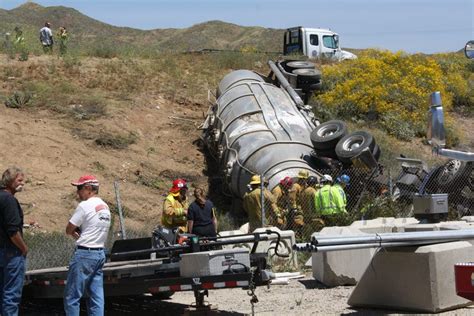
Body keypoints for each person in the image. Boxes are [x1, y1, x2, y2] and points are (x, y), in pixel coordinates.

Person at [64, 175, 111, 316]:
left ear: (89, 188)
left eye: (79, 188)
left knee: (72, 296)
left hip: (85, 254)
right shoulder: (105, 207)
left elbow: (69, 229)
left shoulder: (85, 205)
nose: (77, 192)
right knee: (96, 296)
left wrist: (75, 233)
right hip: (99, 253)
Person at [0, 167, 27, 315]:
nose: (22, 183)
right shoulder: (9, 200)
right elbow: (13, 231)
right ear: (10, 181)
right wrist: (23, 248)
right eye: (19, 180)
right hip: (11, 253)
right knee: (11, 296)